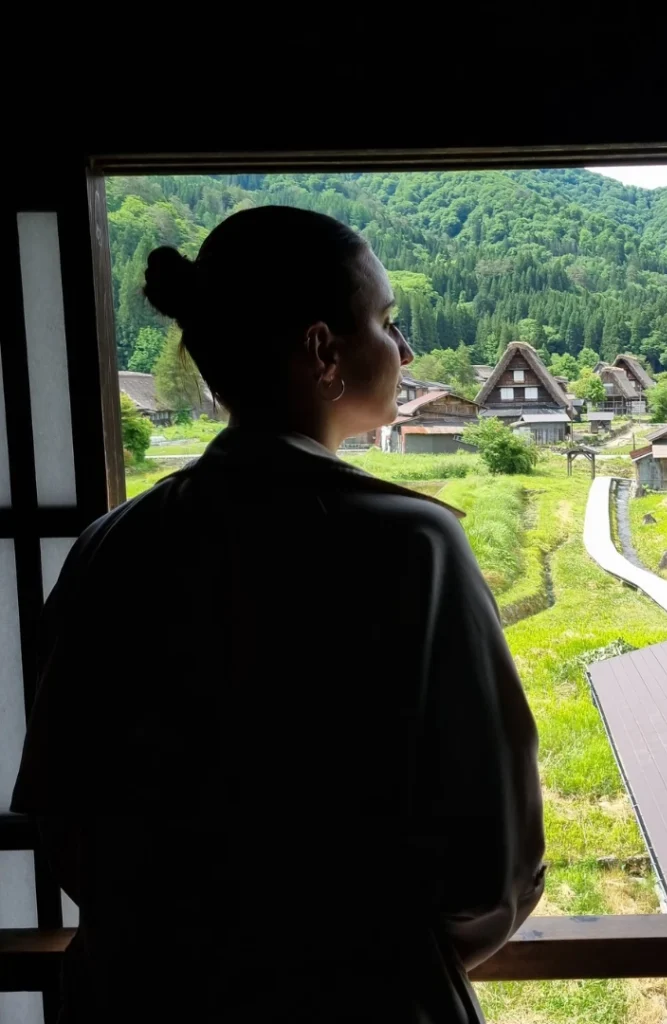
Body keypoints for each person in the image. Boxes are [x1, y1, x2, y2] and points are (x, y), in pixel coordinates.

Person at [12, 206, 546, 1023]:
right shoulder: (413, 544)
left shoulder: (110, 545)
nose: (404, 352)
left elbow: (66, 822)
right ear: (323, 351)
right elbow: (495, 863)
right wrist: (368, 956)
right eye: (387, 322)